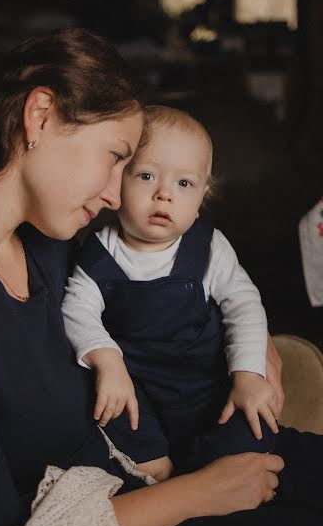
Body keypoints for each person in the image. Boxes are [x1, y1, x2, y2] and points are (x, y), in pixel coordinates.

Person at [0, 28, 322, 526]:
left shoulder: (47, 240)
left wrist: (253, 346)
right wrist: (196, 494)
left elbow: (165, 292)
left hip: (160, 475)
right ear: (39, 116)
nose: (116, 194)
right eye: (115, 156)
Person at [62, 105, 279, 473]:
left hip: (208, 385)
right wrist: (106, 359)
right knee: (123, 430)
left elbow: (244, 306)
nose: (164, 194)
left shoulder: (208, 247)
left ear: (202, 198)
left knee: (251, 440)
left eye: (184, 183)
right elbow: (76, 311)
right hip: (135, 387)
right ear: (118, 180)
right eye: (146, 176)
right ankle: (161, 472)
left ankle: (211, 469)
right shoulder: (98, 254)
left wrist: (248, 373)